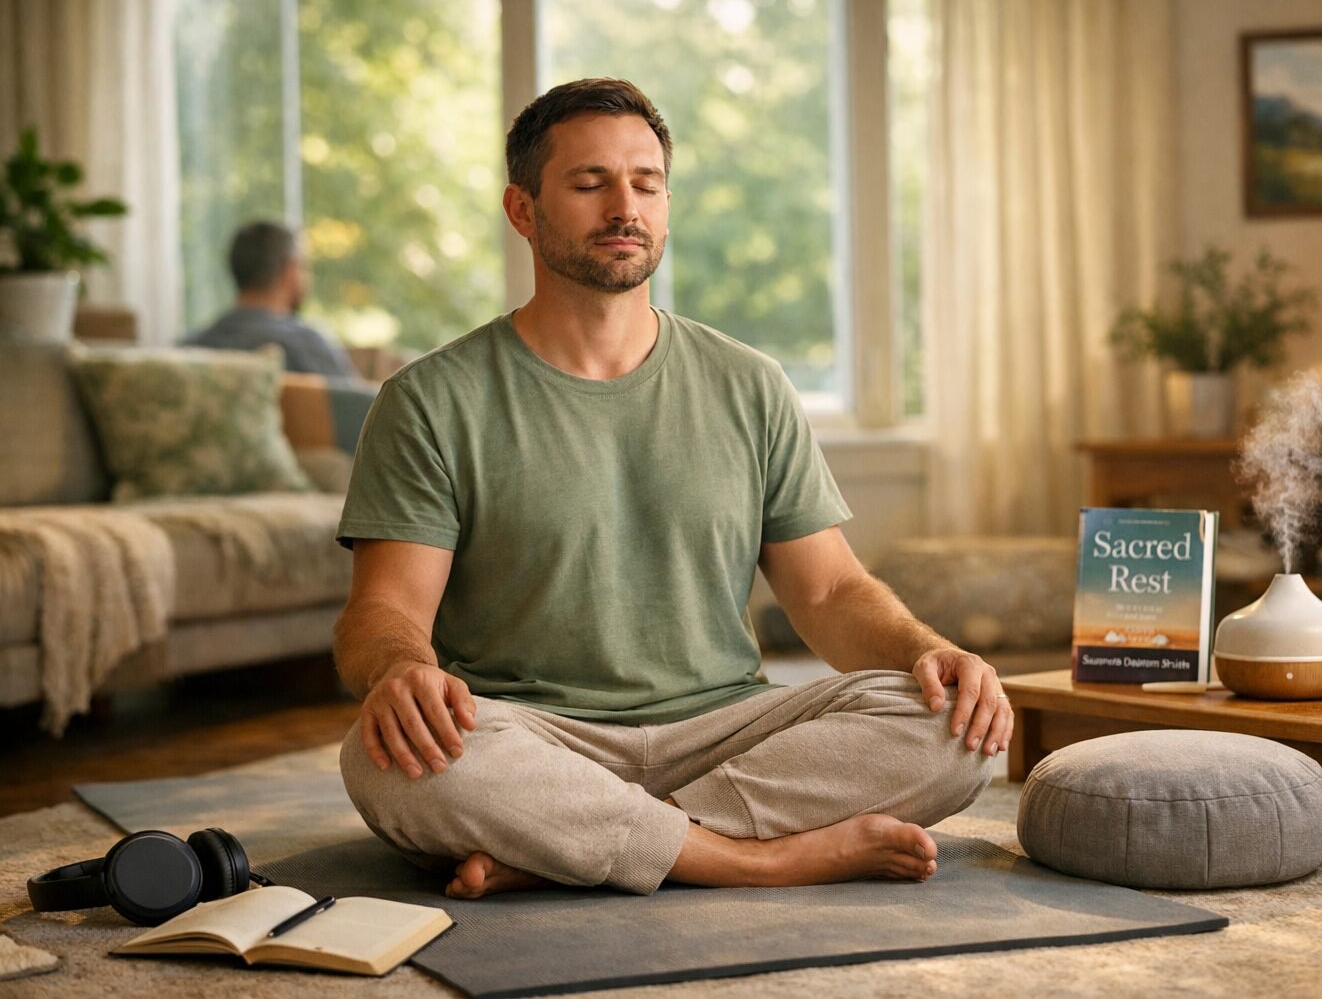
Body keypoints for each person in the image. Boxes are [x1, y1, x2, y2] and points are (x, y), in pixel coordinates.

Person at [333, 78, 1013, 899]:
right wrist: (401, 670)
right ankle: (748, 858)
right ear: (523, 210)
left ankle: (570, 845)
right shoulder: (431, 399)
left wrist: (927, 651)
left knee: (955, 725)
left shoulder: (749, 383)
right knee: (386, 761)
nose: (625, 206)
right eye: (590, 184)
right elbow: (384, 613)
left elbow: (829, 591)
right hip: (533, 732)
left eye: (646, 184)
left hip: (727, 730)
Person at [184, 221, 358, 378]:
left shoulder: (188, 351)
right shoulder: (308, 348)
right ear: (290, 271)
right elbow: (361, 412)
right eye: (304, 267)